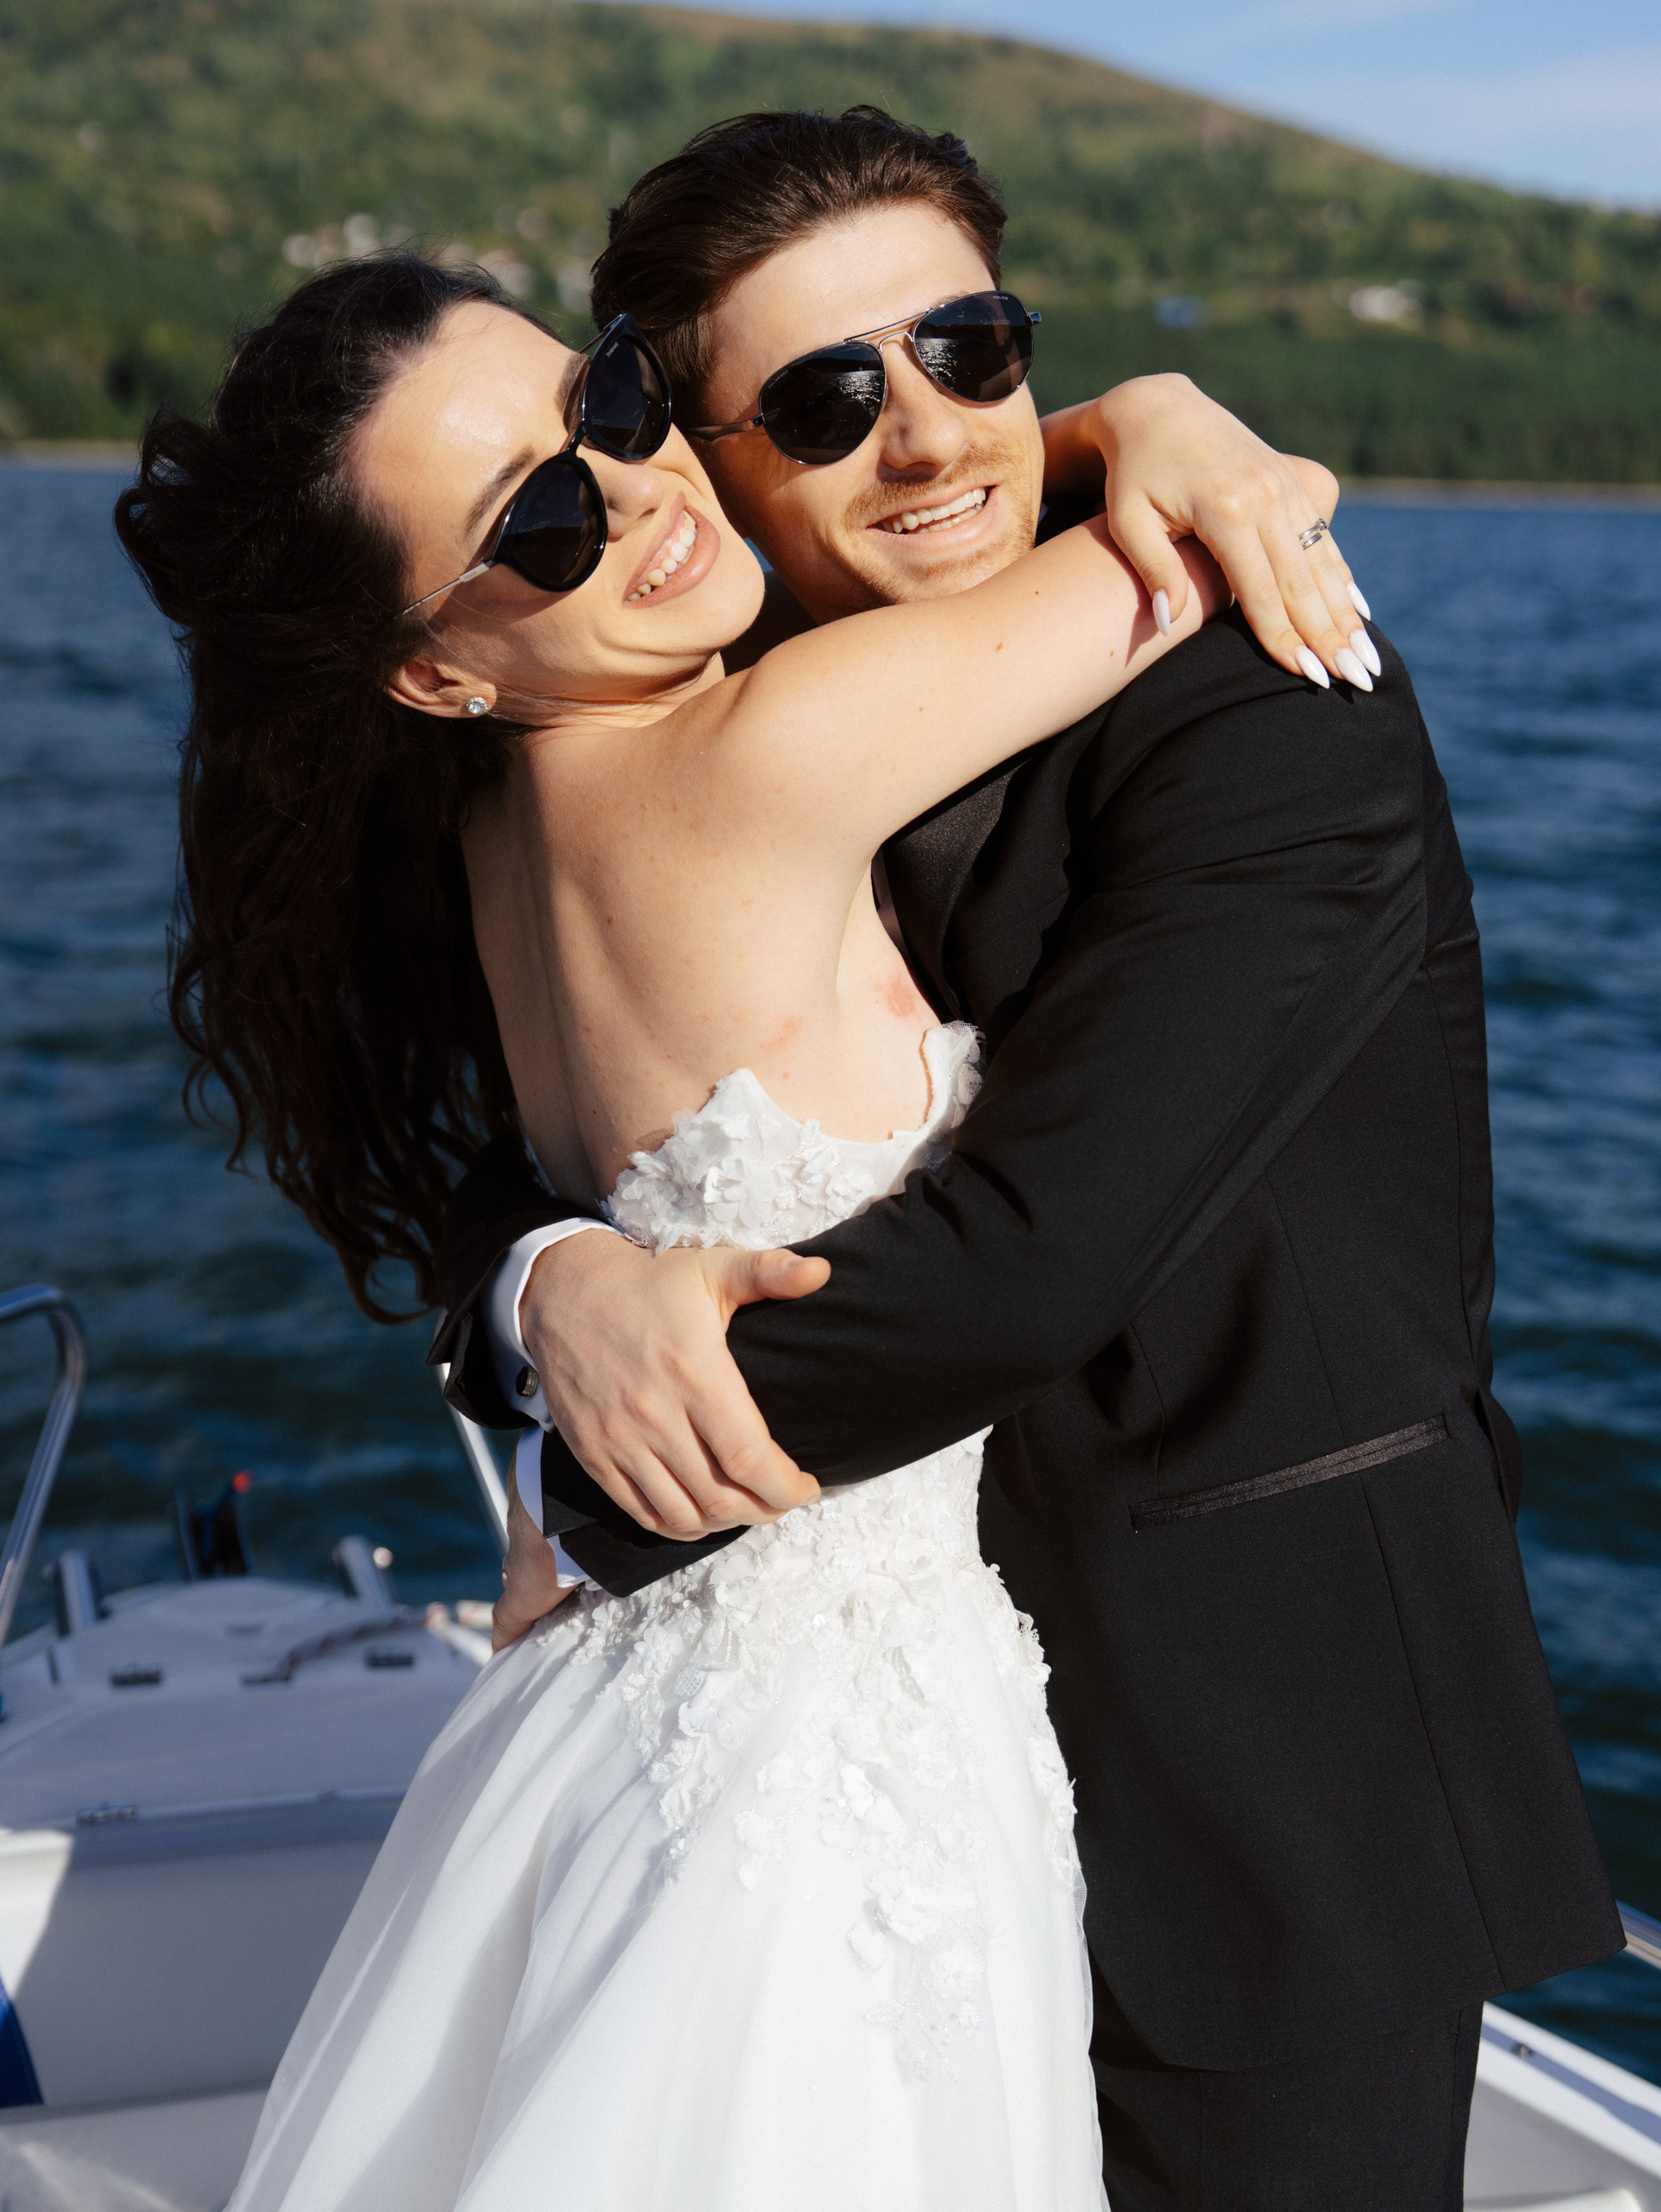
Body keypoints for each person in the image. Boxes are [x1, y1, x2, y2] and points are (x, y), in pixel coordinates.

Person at [114, 161, 1364, 2210]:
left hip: (619, 1695)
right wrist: (1155, 415)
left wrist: (540, 1293)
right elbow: (1227, 537)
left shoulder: (499, 838)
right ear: (435, 669)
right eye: (535, 523)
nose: (632, 492)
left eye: (603, 403)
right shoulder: (765, 754)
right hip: (836, 1721)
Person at [439, 108, 1622, 2212]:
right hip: (885, 1789)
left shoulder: (1278, 702)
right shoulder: (698, 724)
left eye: (973, 350)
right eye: (827, 401)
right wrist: (554, 1283)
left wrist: (588, 1492)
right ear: (706, 462)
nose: (928, 435)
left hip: (1268, 1776)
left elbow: (1029, 1258)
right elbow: (492, 1124)